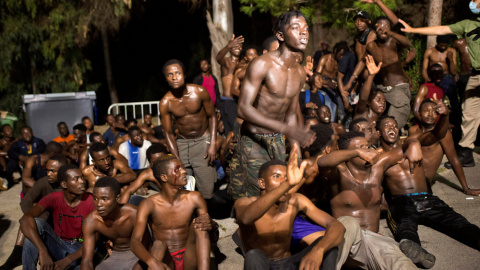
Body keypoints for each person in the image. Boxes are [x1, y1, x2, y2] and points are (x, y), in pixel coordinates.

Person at [229, 11, 316, 200]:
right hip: (254, 139)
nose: (303, 33)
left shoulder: (300, 73)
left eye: (306, 29)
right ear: (281, 35)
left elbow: (291, 113)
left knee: (278, 194)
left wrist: (296, 151)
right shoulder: (262, 64)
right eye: (296, 28)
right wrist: (286, 128)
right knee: (257, 196)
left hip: (277, 139)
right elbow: (243, 108)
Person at [379, 112, 480, 268]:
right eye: (387, 125)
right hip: (401, 201)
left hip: (426, 198)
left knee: (457, 222)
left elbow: (436, 135)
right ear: (378, 132)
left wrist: (445, 116)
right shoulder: (378, 157)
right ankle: (415, 250)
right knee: (405, 225)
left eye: (394, 125)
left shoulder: (414, 142)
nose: (392, 128)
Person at [316, 131, 420, 269]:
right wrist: (357, 152)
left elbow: (403, 147)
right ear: (347, 153)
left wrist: (414, 143)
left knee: (403, 264)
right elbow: (322, 162)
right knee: (348, 223)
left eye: (367, 146)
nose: (366, 150)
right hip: (346, 241)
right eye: (360, 147)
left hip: (373, 240)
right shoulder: (339, 173)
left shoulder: (378, 167)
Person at [235, 145, 344, 270]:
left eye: (286, 177)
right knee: (254, 255)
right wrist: (288, 184)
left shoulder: (295, 200)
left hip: (289, 263)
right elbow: (246, 218)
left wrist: (318, 250)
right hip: (263, 265)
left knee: (327, 244)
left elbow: (337, 226)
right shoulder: (244, 202)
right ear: (262, 183)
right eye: (276, 176)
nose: (283, 181)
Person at [399, 1, 480, 166]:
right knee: (469, 112)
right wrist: (413, 29)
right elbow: (442, 29)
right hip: (477, 75)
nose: (473, 2)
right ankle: (466, 152)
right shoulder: (468, 24)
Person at [130, 156, 211, 270]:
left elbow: (208, 229)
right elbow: (135, 241)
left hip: (190, 256)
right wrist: (152, 262)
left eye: (183, 167)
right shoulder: (149, 204)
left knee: (200, 225)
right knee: (158, 244)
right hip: (166, 261)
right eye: (177, 169)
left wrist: (210, 223)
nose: (184, 171)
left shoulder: (194, 198)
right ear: (164, 177)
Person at [159, 59, 217, 200]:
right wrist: (176, 158)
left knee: (207, 191)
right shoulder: (165, 102)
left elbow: (212, 117)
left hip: (203, 141)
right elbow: (168, 133)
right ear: (166, 78)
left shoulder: (199, 92)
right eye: (170, 74)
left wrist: (213, 143)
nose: (174, 77)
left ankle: (205, 215)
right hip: (182, 143)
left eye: (177, 73)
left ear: (184, 74)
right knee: (181, 186)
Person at [0, 154, 68, 270]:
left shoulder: (70, 184)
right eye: (47, 170)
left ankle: (19, 254)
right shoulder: (44, 182)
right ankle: (17, 253)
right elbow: (25, 202)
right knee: (30, 220)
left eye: (52, 171)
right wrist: (34, 216)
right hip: (45, 222)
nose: (48, 174)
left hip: (64, 228)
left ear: (63, 172)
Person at [20, 164, 94, 270]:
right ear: (64, 184)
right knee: (35, 223)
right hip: (59, 246)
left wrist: (67, 260)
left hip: (82, 250)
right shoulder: (53, 198)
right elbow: (25, 219)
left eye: (82, 177)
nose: (82, 181)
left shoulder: (90, 201)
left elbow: (95, 239)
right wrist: (43, 251)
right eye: (76, 179)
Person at [347, 16, 413, 129]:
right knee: (371, 117)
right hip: (381, 89)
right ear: (375, 29)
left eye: (386, 26)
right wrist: (350, 82)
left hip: (398, 88)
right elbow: (362, 62)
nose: (383, 29)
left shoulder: (394, 42)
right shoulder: (371, 46)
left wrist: (391, 33)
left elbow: (408, 43)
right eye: (380, 26)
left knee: (392, 124)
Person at [409, 99, 480, 195]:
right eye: (426, 111)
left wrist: (466, 188)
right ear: (419, 113)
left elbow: (453, 160)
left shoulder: (444, 134)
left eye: (434, 111)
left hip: (422, 184)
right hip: (407, 178)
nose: (430, 114)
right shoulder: (413, 130)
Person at [81, 177, 140, 270]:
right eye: (95, 198)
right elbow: (86, 260)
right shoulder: (91, 220)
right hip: (117, 255)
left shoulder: (133, 214)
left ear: (117, 198)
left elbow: (147, 247)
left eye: (104, 199)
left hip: (139, 255)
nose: (98, 204)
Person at [422, 35, 462, 139]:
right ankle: (430, 123)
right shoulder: (430, 52)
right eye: (441, 45)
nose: (443, 48)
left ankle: (457, 125)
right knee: (431, 100)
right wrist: (428, 81)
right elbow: (424, 69)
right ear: (437, 43)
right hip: (432, 77)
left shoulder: (451, 51)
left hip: (446, 78)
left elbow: (454, 71)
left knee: (454, 102)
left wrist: (450, 60)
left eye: (445, 46)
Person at [216, 35, 244, 134]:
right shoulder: (226, 62)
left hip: (239, 102)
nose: (238, 48)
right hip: (228, 102)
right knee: (231, 131)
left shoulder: (242, 64)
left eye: (240, 46)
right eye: (235, 46)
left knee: (239, 130)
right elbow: (218, 58)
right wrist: (228, 46)